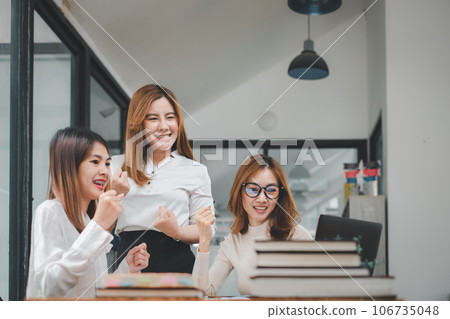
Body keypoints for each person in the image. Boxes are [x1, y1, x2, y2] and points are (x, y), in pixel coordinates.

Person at [26, 127, 150, 299]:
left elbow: (92, 291)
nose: (104, 171)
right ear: (69, 166)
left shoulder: (87, 221)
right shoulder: (50, 211)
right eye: (95, 162)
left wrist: (127, 269)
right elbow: (51, 285)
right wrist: (98, 226)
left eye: (107, 163)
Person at [111, 84, 215, 273]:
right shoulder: (115, 167)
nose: (164, 126)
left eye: (170, 117)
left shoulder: (196, 171)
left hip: (178, 269)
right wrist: (114, 196)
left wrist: (177, 231)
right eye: (153, 118)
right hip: (128, 265)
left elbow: (206, 230)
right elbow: (97, 227)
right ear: (138, 123)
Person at [193, 154, 312, 296]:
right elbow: (201, 293)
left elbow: (319, 289)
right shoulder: (233, 242)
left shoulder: (297, 235)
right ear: (240, 192)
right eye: (253, 189)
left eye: (271, 190)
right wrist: (204, 239)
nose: (262, 199)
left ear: (280, 195)